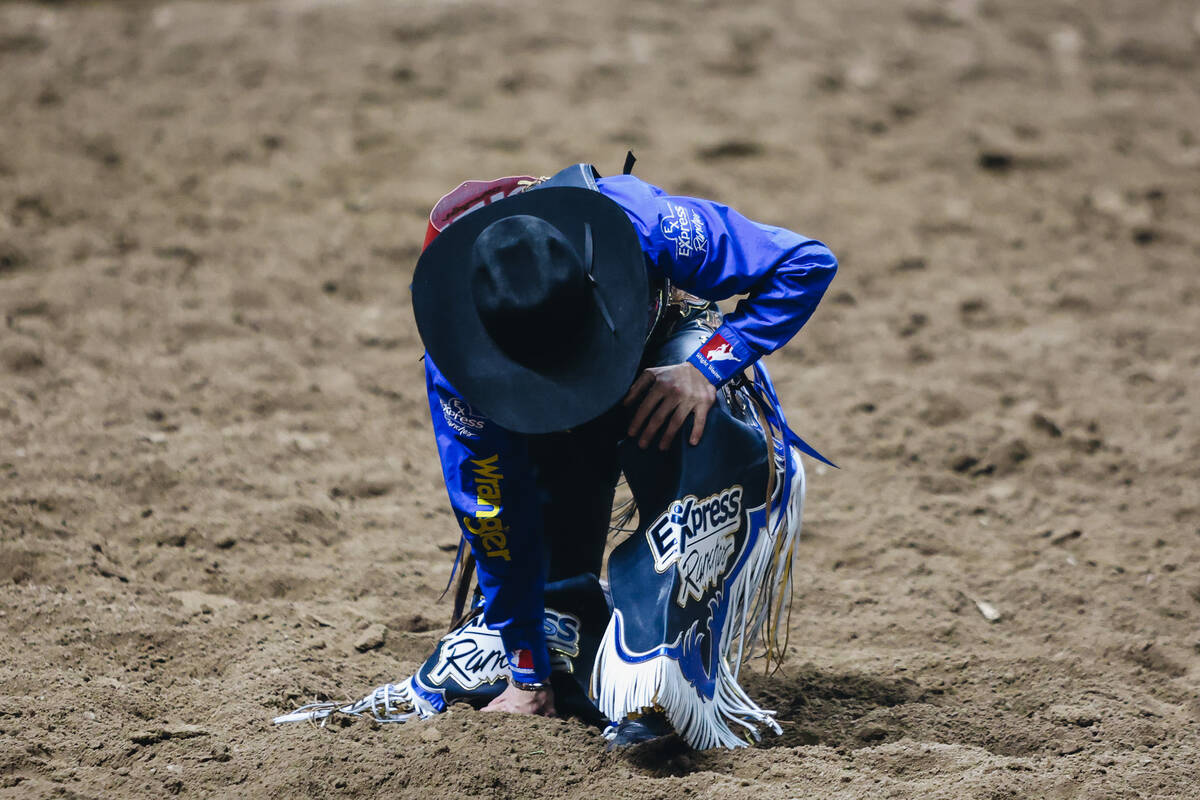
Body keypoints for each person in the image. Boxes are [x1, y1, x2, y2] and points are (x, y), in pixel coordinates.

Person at [274, 159, 837, 749]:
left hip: (663, 358)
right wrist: (526, 672)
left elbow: (804, 261)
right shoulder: (460, 377)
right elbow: (492, 513)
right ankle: (563, 638)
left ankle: (661, 676)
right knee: (530, 578)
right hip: (531, 410)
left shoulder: (647, 223)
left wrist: (709, 366)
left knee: (706, 430)